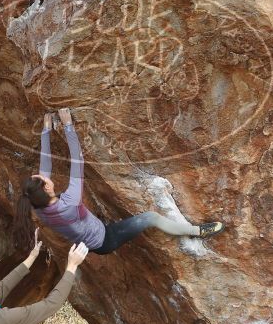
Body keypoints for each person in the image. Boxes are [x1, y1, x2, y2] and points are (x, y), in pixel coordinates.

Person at [13, 107, 224, 254]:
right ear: (47, 189)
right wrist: (68, 127)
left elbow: (46, 165)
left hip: (89, 235)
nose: (42, 175)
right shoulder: (69, 203)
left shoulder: (38, 205)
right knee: (151, 217)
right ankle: (197, 232)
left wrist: (46, 130)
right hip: (105, 239)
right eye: (42, 179)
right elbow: (78, 161)